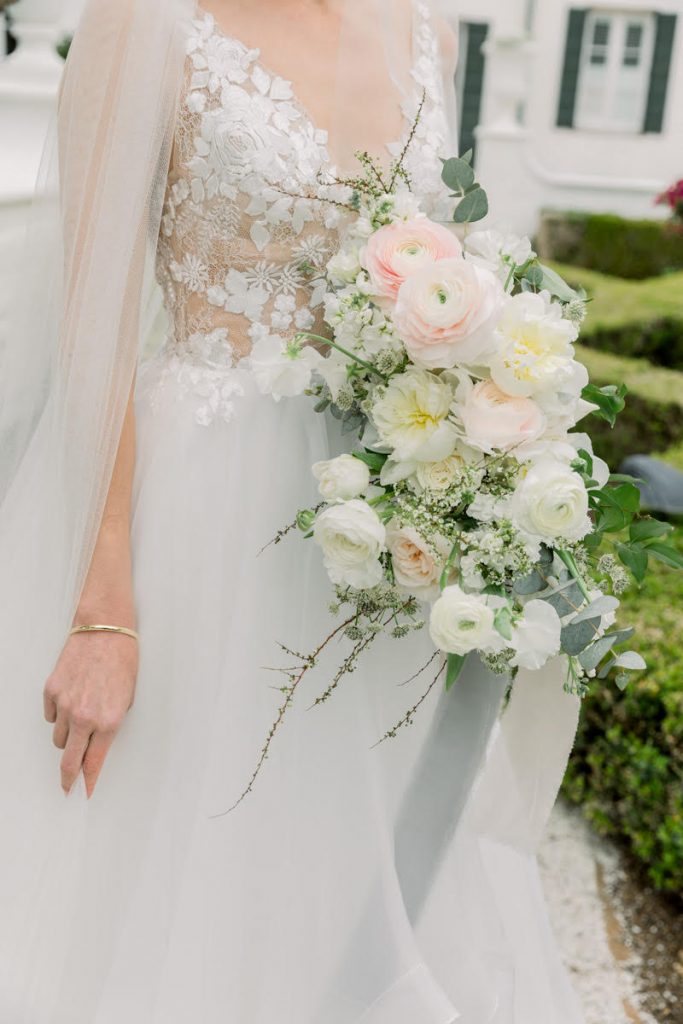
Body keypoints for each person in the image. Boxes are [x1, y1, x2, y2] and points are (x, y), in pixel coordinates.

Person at [0, 1, 585, 1020]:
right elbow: (91, 321)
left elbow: (444, 272)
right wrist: (103, 604)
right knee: (187, 873)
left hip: (386, 526)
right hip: (200, 518)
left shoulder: (423, 33)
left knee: (355, 872)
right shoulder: (141, 26)